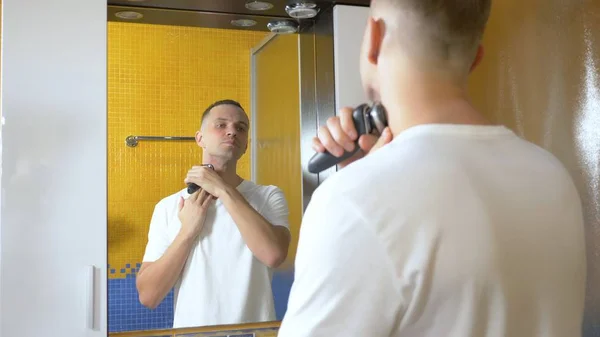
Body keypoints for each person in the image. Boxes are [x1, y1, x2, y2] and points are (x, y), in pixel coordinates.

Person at [278, 1, 587, 336]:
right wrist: (370, 175)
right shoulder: (552, 177)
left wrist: (365, 183)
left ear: (374, 38)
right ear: (474, 59)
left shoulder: (351, 203)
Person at [136, 99, 291, 328]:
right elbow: (149, 296)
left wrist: (222, 189)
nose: (232, 132)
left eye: (241, 128)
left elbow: (274, 255)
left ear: (246, 145)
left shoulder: (268, 196)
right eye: (221, 125)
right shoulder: (169, 207)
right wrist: (187, 232)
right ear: (200, 138)